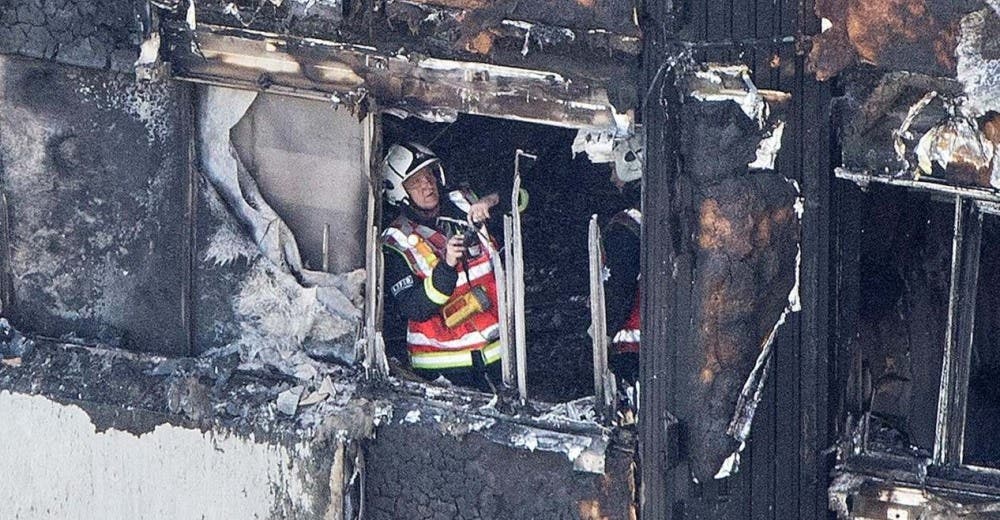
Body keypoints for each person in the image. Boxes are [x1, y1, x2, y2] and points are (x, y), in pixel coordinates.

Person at [380, 142, 508, 392]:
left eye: (429, 174)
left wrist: (489, 202)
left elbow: (519, 197)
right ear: (399, 191)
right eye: (415, 182)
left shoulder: (463, 203)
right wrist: (447, 267)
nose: (427, 185)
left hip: (498, 355)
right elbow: (414, 307)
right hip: (445, 369)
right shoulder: (396, 241)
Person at [602, 137, 643, 386]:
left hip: (631, 344)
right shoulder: (660, 214)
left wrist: (604, 331)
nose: (611, 178)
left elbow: (619, 285)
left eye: (613, 169)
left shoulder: (624, 228)